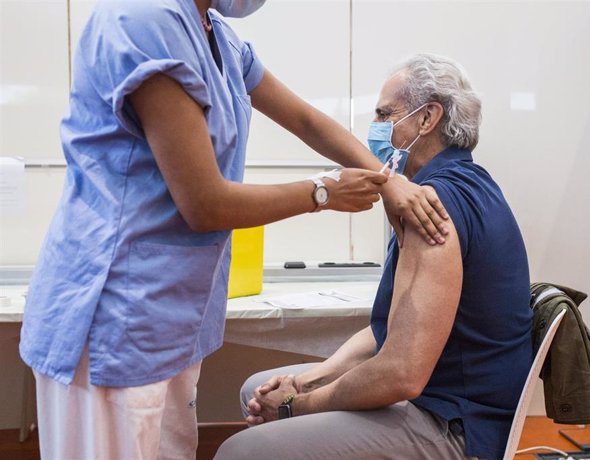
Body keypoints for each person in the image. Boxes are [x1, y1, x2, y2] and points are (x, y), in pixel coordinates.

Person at [18, 1, 451, 459]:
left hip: (172, 317)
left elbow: (305, 120)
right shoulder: (143, 19)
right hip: (114, 311)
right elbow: (203, 204)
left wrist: (393, 184)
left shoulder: (218, 36)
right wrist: (322, 192)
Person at [215, 54, 534, 460]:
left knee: (240, 451)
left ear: (427, 118)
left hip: (455, 424)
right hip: (445, 397)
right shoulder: (470, 184)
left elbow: (401, 374)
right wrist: (311, 379)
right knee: (257, 390)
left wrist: (299, 404)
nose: (376, 128)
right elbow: (390, 330)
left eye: (385, 114)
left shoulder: (433, 206)